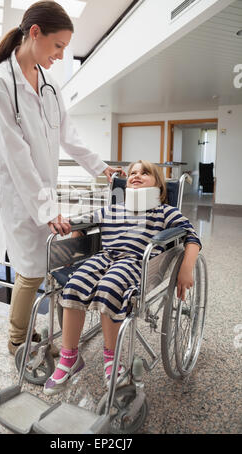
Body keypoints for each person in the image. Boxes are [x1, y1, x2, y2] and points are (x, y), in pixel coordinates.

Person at [0, 0, 123, 356]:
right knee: (30, 270)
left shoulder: (49, 84)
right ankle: (17, 341)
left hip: (45, 196)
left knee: (56, 263)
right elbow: (17, 158)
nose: (60, 55)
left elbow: (68, 135)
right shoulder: (0, 84)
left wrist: (100, 167)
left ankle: (63, 338)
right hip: (20, 197)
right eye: (57, 45)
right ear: (35, 33)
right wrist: (46, 210)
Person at [43, 160, 201, 395]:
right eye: (133, 173)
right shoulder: (113, 209)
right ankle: (70, 358)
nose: (136, 176)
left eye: (145, 173)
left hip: (137, 261)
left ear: (158, 186)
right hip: (106, 256)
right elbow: (82, 224)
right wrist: (74, 243)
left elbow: (191, 236)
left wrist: (186, 267)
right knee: (74, 284)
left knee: (110, 288)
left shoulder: (163, 211)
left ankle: (112, 361)